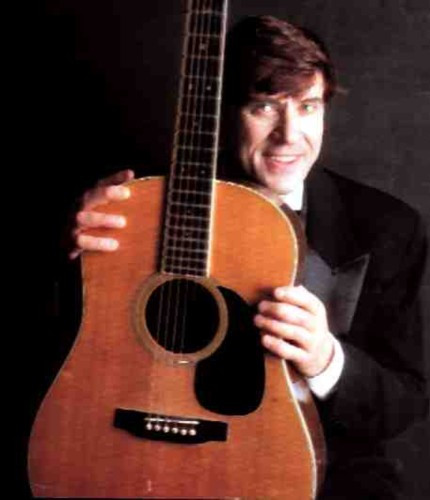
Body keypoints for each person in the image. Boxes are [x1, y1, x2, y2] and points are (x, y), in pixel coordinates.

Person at [64, 15, 428, 499]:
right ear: (223, 111)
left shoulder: (387, 227)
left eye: (308, 106)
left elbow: (404, 403)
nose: (289, 135)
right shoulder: (139, 209)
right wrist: (76, 256)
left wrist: (326, 360)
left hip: (316, 475)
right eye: (264, 107)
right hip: (135, 456)